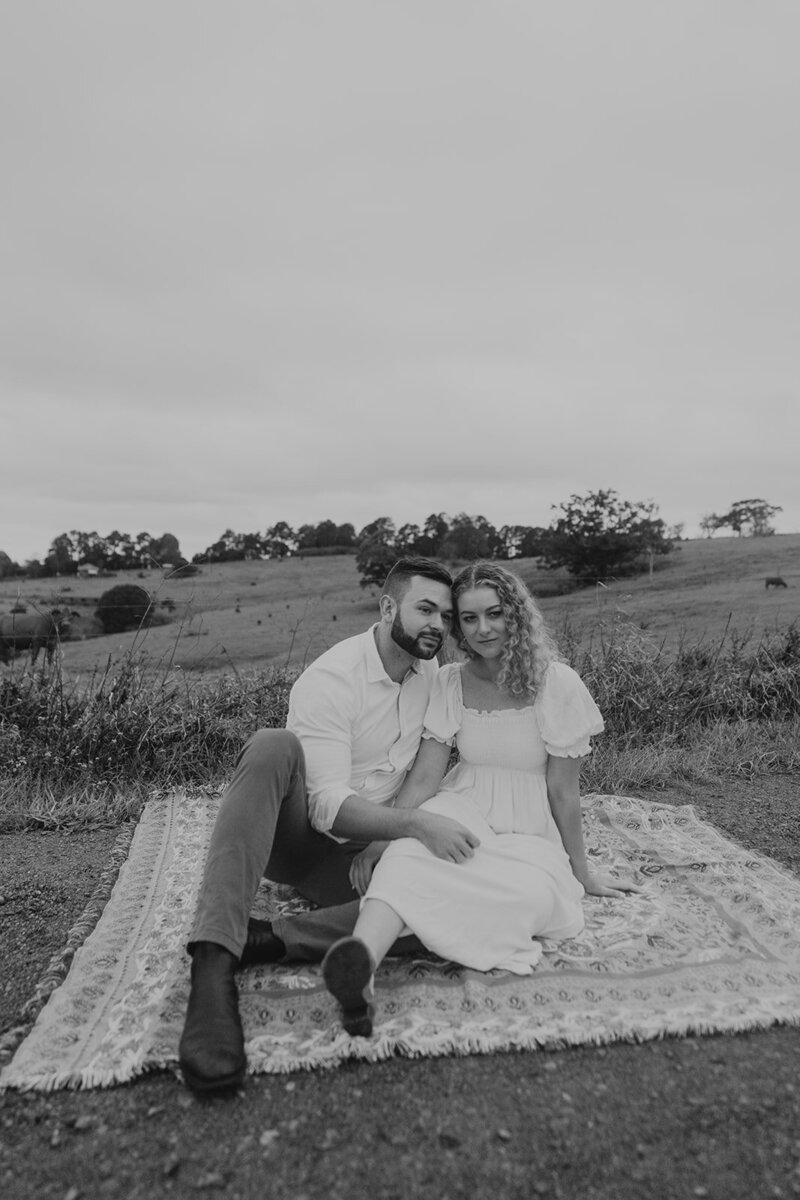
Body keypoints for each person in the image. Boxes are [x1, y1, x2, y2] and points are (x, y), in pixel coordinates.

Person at [178, 557, 482, 1093]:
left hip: (366, 857)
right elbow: (328, 806)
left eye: (447, 614)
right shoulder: (332, 678)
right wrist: (410, 826)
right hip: (304, 843)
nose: (438, 624)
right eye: (425, 609)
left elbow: (425, 773)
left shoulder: (430, 673)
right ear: (389, 607)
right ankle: (214, 956)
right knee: (273, 744)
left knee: (459, 904)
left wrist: (388, 841)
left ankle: (268, 941)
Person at [321, 561, 641, 1037]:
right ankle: (360, 967)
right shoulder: (450, 680)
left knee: (534, 897)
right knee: (408, 854)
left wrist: (582, 873)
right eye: (468, 618)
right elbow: (428, 774)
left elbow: (562, 790)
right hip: (462, 802)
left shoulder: (557, 684)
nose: (482, 629)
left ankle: (402, 934)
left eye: (493, 614)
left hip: (528, 826)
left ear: (515, 615)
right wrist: (384, 836)